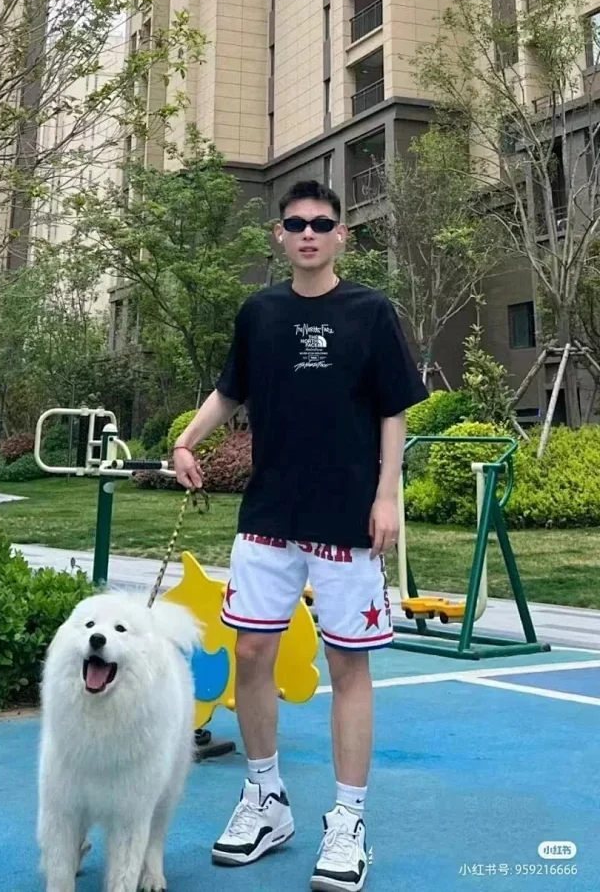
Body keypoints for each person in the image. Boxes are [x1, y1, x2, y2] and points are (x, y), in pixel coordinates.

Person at [173, 180, 427, 892]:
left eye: (321, 222)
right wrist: (187, 439)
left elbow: (394, 410)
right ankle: (266, 800)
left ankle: (348, 820)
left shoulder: (371, 312)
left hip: (347, 518)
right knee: (252, 651)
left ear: (342, 234)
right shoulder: (260, 312)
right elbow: (232, 389)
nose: (308, 232)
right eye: (295, 223)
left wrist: (387, 496)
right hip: (270, 516)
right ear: (280, 236)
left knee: (349, 664)